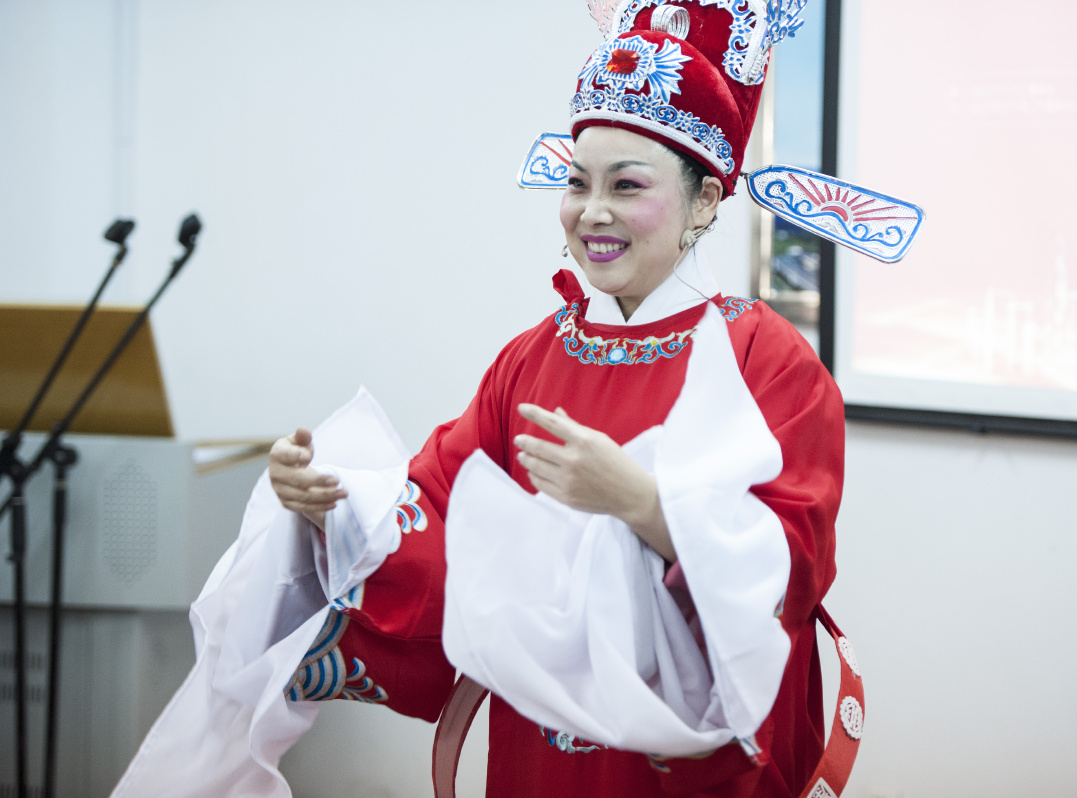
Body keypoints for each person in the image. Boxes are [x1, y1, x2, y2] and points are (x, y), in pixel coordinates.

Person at [112, 2, 847, 796]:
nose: (592, 212)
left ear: (705, 201)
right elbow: (439, 512)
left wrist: (642, 504)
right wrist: (333, 504)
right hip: (537, 747)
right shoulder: (534, 357)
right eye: (576, 182)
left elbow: (791, 563)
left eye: (627, 185)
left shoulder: (766, 360)